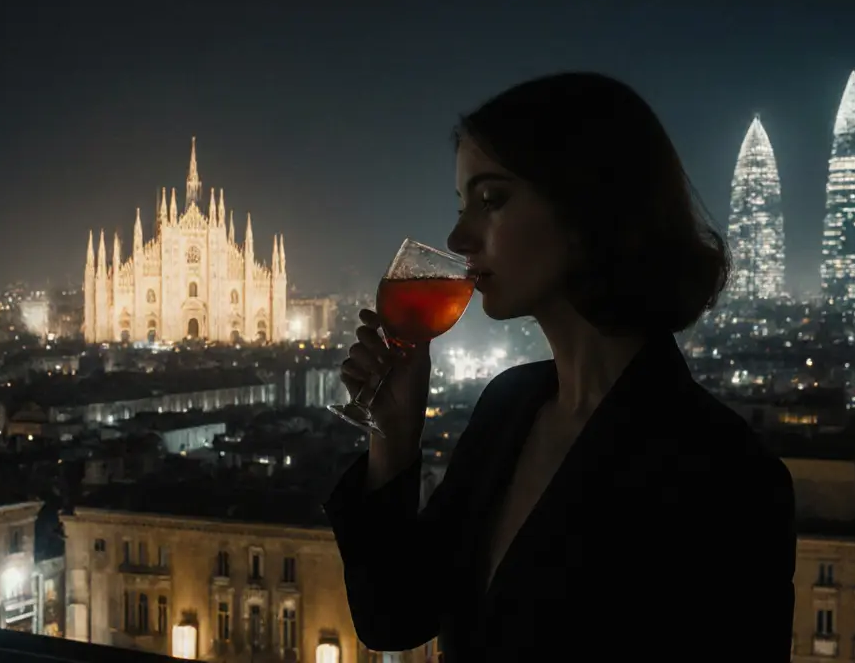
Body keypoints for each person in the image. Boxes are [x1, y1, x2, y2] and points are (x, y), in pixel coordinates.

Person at [324, 72, 796, 661]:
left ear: (587, 206)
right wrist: (393, 441)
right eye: (462, 205)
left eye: (491, 201)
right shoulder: (507, 407)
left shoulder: (725, 475)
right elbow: (393, 617)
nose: (458, 236)